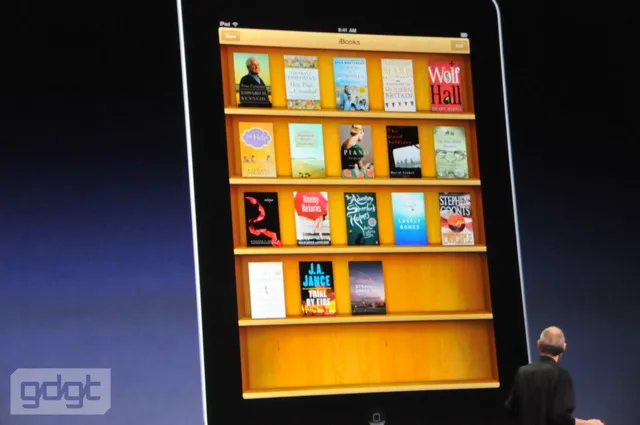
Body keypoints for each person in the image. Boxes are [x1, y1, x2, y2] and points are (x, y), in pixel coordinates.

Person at [505, 326, 605, 425]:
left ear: (538, 344)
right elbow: (560, 418)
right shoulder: (562, 375)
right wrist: (587, 423)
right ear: (564, 348)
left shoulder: (522, 372)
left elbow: (512, 409)